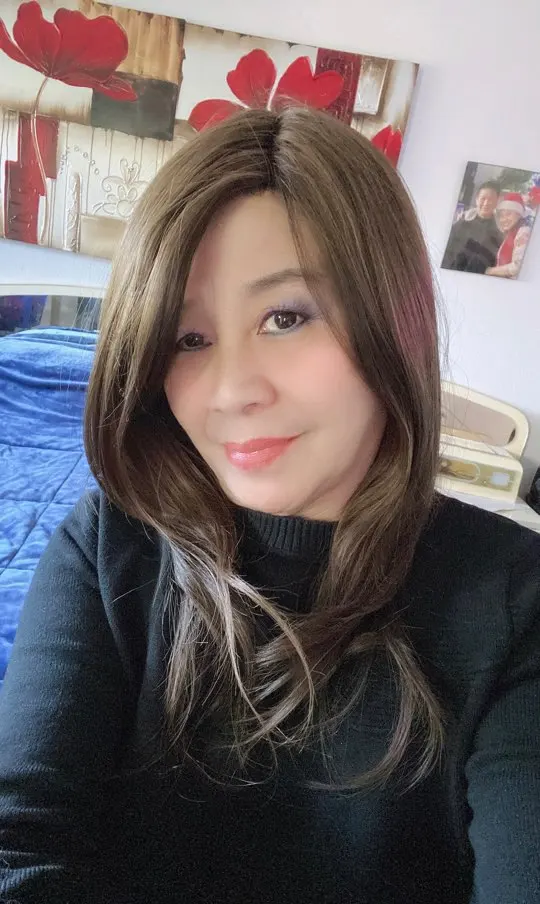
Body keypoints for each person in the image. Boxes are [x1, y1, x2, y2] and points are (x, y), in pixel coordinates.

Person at [0, 107, 539, 904]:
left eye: (285, 317)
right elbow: (20, 840)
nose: (230, 392)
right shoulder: (109, 547)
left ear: (393, 322)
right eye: (188, 339)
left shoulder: (516, 597)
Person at [441, 180, 502, 273]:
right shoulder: (462, 222)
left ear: (497, 201)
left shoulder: (499, 231)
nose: (486, 203)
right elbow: (447, 251)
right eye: (483, 198)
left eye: (491, 199)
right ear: (477, 199)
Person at [486, 191, 532, 278]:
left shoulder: (523, 233)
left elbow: (518, 266)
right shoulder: (509, 233)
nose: (504, 219)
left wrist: (489, 271)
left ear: (519, 214)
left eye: (508, 214)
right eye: (501, 216)